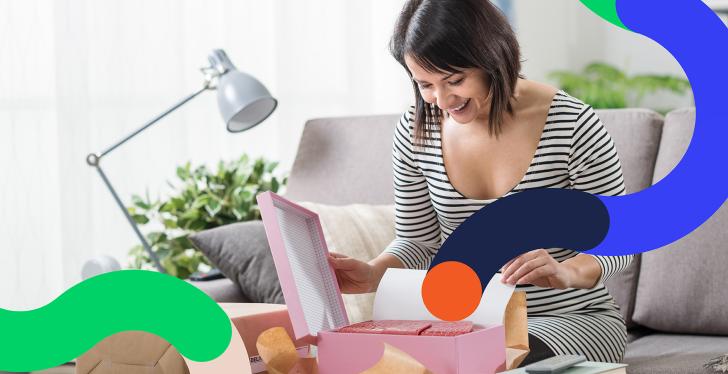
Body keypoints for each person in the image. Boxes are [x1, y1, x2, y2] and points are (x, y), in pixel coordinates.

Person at [327, 0, 634, 365]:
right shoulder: (417, 131)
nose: (442, 100)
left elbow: (621, 240)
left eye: (455, 80)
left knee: (491, 355)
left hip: (571, 320)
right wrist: (372, 274)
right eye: (425, 84)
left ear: (493, 58)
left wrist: (567, 272)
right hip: (465, 325)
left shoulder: (571, 124)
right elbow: (419, 241)